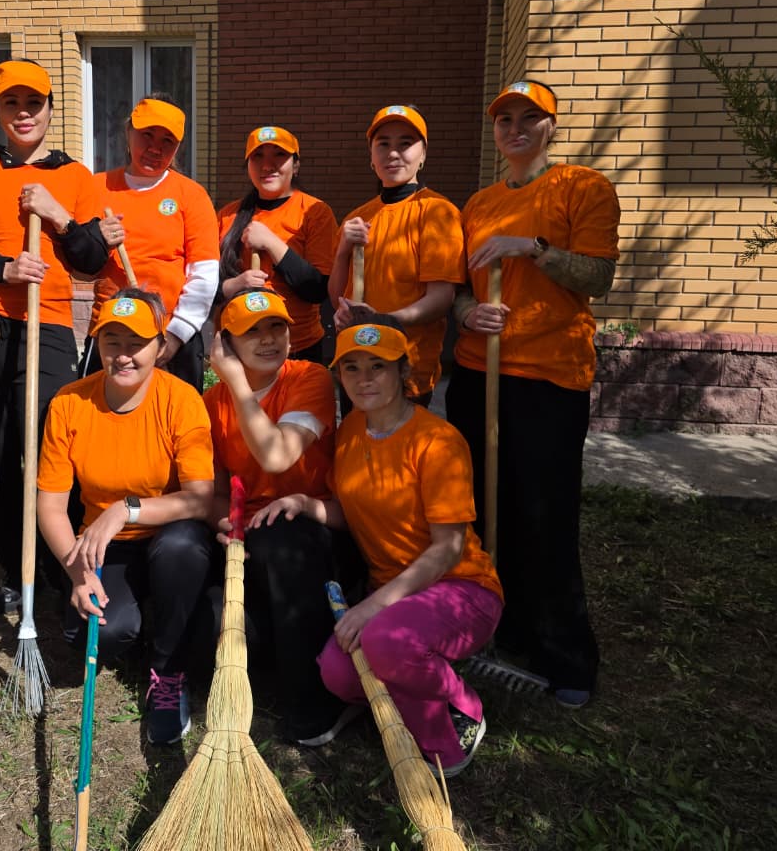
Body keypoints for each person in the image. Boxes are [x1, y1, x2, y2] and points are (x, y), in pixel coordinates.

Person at [256, 319, 503, 777]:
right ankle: (407, 679)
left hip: (461, 590)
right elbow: (353, 513)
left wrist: (372, 607)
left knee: (385, 643)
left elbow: (448, 548)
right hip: (395, 596)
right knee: (336, 673)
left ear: (403, 372)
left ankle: (460, 716)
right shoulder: (349, 432)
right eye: (351, 368)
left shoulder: (437, 441)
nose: (364, 378)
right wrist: (306, 503)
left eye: (378, 366)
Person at [446, 80, 621, 708]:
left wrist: (533, 249)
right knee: (486, 510)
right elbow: (459, 288)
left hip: (548, 377)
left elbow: (597, 275)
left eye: (529, 118)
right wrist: (468, 315)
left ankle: (565, 654)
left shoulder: (582, 188)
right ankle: (501, 627)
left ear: (550, 126)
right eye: (505, 120)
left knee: (544, 518)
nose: (515, 128)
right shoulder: (479, 202)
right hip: (478, 374)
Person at [0, 59, 123, 615]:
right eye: (11, 104)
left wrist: (58, 216)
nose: (24, 113)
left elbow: (91, 262)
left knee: (53, 453)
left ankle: (68, 565)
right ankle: (18, 574)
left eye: (34, 103)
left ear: (49, 108)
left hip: (47, 328)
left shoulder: (74, 176)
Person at [36, 288, 214, 745]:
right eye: (112, 341)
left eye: (137, 342)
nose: (124, 355)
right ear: (97, 344)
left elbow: (199, 499)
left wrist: (126, 508)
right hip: (102, 543)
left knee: (181, 548)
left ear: (160, 345)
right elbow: (51, 505)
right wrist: (78, 574)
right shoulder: (69, 403)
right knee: (99, 633)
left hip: (168, 531)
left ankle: (168, 672)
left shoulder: (183, 399)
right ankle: (149, 616)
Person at [200, 289, 359, 744]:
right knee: (211, 626)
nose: (269, 339)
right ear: (226, 341)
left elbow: (276, 455)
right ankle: (280, 657)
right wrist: (223, 525)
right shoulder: (211, 404)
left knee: (281, 540)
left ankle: (314, 705)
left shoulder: (309, 378)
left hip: (311, 530)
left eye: (277, 327)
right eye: (252, 332)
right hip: (247, 541)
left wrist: (236, 381)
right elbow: (212, 490)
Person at [328, 105, 465, 404]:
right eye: (383, 144)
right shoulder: (357, 218)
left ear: (423, 155)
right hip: (356, 361)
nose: (393, 153)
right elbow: (337, 296)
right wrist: (342, 252)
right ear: (371, 157)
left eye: (405, 143)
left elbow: (441, 298)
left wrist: (384, 321)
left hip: (406, 368)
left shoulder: (437, 212)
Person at [85, 96, 218, 391]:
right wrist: (97, 240)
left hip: (171, 334)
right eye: (147, 135)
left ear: (178, 147)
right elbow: (80, 267)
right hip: (111, 333)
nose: (155, 148)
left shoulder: (191, 195)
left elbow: (205, 274)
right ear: (128, 132)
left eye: (167, 141)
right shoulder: (96, 188)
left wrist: (175, 335)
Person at [216, 126, 337, 364]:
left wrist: (272, 243)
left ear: (296, 164)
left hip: (298, 348)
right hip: (240, 347)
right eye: (258, 156)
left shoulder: (315, 212)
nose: (267, 165)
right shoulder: (227, 216)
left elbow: (317, 289)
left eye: (279, 155)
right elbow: (206, 287)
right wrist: (236, 284)